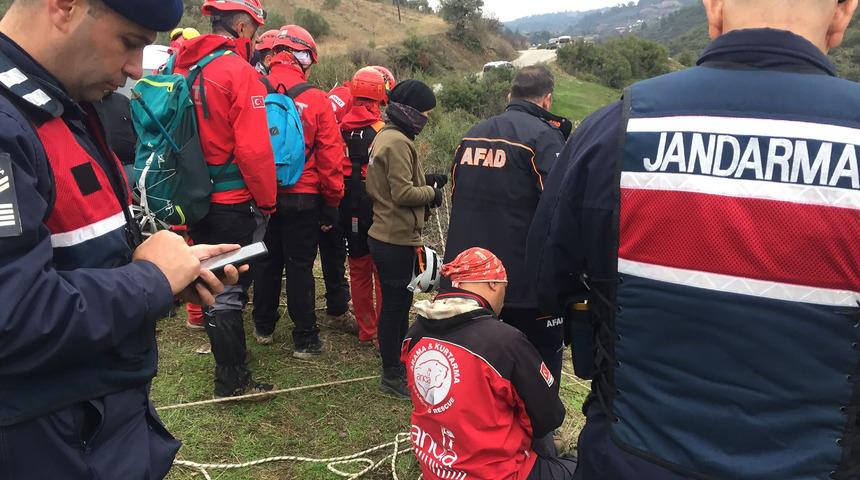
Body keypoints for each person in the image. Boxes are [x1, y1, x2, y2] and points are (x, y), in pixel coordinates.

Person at [527, 0, 860, 478]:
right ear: (844, 11)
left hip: (627, 459)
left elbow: (546, 282)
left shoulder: (616, 127)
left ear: (714, 7)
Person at [0, 0, 243, 478]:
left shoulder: (58, 107)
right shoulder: (12, 124)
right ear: (64, 6)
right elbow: (15, 314)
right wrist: (151, 279)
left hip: (92, 424)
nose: (135, 69)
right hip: (47, 440)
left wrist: (167, 276)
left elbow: (65, 258)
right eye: (130, 44)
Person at [171, 0, 278, 398]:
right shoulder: (238, 72)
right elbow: (254, 150)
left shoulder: (182, 68)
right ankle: (231, 380)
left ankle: (230, 366)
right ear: (242, 26)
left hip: (194, 196)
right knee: (228, 287)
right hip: (233, 200)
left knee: (210, 277)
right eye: (254, 29)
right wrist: (267, 200)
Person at [443, 65, 571, 382]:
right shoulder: (545, 138)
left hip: (468, 280)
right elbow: (560, 211)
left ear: (509, 95)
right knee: (535, 376)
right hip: (523, 288)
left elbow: (456, 195)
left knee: (477, 369)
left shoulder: (471, 135)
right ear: (547, 100)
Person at [403, 247, 577, 480]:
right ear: (494, 284)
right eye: (505, 288)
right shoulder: (504, 342)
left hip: (437, 468)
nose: (503, 300)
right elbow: (549, 417)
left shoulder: (415, 334)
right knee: (589, 467)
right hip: (498, 473)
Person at [252, 25, 345, 357]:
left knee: (266, 261)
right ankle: (305, 339)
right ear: (304, 58)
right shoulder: (317, 99)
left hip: (262, 193)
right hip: (304, 195)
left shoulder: (254, 89)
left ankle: (263, 326)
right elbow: (331, 157)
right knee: (300, 266)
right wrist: (332, 202)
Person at [366, 79, 443, 397]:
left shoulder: (386, 134)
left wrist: (428, 180)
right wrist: (432, 194)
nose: (426, 120)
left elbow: (394, 182)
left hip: (389, 234)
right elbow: (402, 193)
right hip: (393, 238)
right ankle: (391, 375)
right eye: (425, 113)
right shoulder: (398, 142)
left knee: (399, 303)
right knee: (394, 307)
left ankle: (398, 362)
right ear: (411, 111)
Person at [333, 67, 391, 346]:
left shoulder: (340, 127)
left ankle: (367, 331)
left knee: (357, 268)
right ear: (380, 96)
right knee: (381, 269)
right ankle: (384, 332)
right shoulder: (382, 131)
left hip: (347, 202)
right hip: (375, 202)